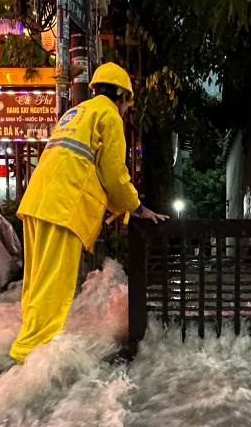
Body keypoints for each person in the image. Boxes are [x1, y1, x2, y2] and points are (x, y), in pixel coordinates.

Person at [9, 62, 167, 364]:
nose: (125, 110)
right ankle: (29, 360)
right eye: (127, 103)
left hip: (37, 203)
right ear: (121, 95)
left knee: (35, 285)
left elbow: (83, 169)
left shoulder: (76, 113)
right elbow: (114, 175)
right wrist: (137, 208)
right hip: (63, 209)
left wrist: (124, 213)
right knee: (54, 289)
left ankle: (26, 346)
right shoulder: (108, 115)